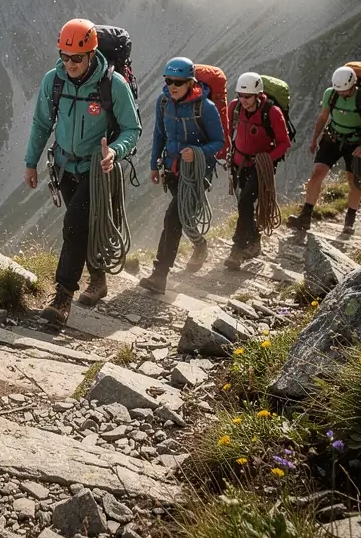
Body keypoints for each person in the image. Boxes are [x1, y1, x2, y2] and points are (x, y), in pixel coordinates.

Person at [24, 19, 141, 326]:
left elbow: (132, 128)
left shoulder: (113, 84)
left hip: (96, 168)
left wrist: (115, 151)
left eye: (76, 57)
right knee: (85, 226)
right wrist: (29, 163)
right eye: (64, 56)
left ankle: (63, 297)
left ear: (91, 53)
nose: (69, 63)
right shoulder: (54, 80)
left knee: (74, 225)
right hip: (64, 166)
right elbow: (41, 124)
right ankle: (98, 279)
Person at [139, 57, 224, 293]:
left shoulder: (205, 107)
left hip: (198, 173)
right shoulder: (163, 101)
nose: (173, 86)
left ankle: (159, 274)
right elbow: (159, 134)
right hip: (173, 170)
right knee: (184, 217)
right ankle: (200, 244)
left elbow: (219, 142)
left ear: (190, 82)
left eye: (178, 82)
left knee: (173, 218)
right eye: (168, 81)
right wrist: (154, 165)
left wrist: (197, 152)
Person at [287, 65, 361, 235]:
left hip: (356, 143)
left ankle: (350, 220)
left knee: (354, 181)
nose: (341, 94)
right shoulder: (330, 94)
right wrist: (314, 139)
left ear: (354, 85)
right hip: (332, 138)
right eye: (339, 90)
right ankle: (305, 216)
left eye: (345, 91)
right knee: (317, 173)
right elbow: (323, 117)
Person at [224, 72, 291, 270]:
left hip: (259, 166)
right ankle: (254, 241)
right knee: (244, 204)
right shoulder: (234, 107)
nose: (243, 100)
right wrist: (225, 151)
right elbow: (228, 132)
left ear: (258, 95)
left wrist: (266, 160)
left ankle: (237, 248)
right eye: (241, 96)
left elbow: (283, 143)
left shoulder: (272, 112)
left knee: (245, 201)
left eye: (248, 97)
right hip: (239, 163)